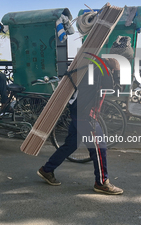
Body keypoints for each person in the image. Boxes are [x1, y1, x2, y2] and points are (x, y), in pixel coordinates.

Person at [37, 59, 124, 195]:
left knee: (71, 145)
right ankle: (101, 183)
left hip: (78, 112)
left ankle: (47, 170)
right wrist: (117, 69)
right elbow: (118, 90)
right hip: (86, 115)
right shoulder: (102, 70)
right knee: (99, 148)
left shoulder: (92, 67)